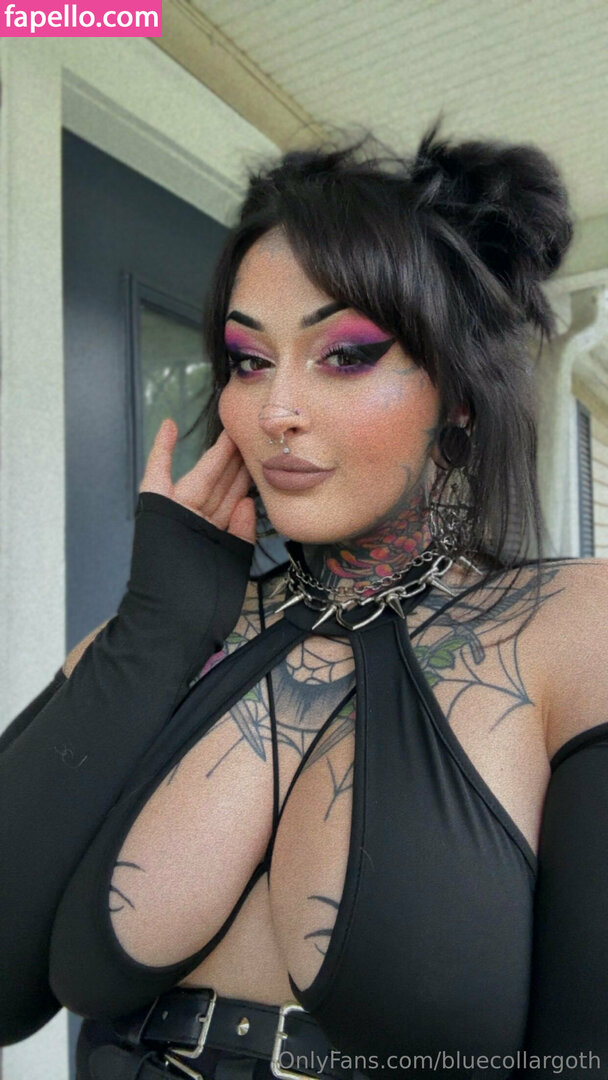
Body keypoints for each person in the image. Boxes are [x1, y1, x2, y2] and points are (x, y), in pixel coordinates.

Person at [2, 119, 608, 1080]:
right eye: (249, 360)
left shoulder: (571, 630)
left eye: (346, 354)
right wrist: (155, 630)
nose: (275, 410)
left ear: (457, 391)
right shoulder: (156, 639)